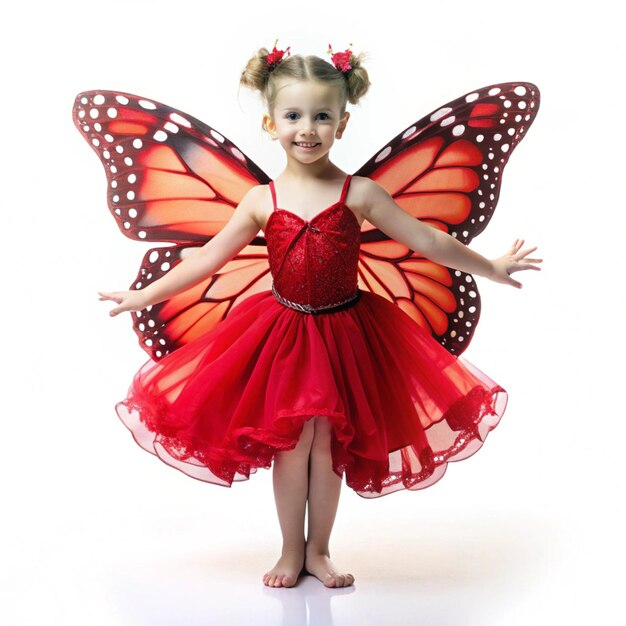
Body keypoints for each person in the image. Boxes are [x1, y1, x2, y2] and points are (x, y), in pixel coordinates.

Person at [97, 43, 542, 589]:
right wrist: (143, 296)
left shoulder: (362, 193)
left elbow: (426, 238)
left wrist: (491, 266)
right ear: (270, 122)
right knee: (292, 444)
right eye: (293, 116)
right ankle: (290, 550)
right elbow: (211, 257)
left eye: (322, 116)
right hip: (280, 334)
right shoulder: (262, 199)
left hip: (349, 332)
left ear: (343, 121)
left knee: (328, 445)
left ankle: (320, 551)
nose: (307, 129)